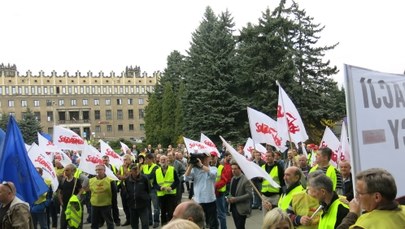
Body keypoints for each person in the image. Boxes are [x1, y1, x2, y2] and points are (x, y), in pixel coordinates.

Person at [337, 168, 405, 229]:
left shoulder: (364, 225)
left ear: (377, 197)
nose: (356, 197)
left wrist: (352, 214)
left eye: (359, 193)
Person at [185, 150, 219, 229]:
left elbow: (213, 175)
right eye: (202, 158)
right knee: (200, 223)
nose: (203, 159)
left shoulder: (213, 168)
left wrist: (201, 165)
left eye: (205, 158)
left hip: (210, 200)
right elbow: (186, 178)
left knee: (213, 223)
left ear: (209, 159)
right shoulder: (195, 170)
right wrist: (191, 165)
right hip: (199, 200)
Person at [88, 164, 118, 229]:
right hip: (94, 205)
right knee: (94, 223)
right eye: (97, 170)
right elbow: (89, 192)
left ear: (104, 171)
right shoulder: (91, 180)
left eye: (100, 169)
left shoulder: (110, 180)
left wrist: (113, 204)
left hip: (106, 205)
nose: (98, 171)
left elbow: (114, 193)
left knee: (109, 222)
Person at [153, 155, 179, 226]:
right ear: (159, 161)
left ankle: (171, 226)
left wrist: (171, 187)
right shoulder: (157, 171)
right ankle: (164, 226)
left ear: (167, 160)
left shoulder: (172, 169)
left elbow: (177, 181)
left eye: (164, 159)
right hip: (161, 195)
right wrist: (159, 188)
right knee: (163, 213)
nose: (163, 161)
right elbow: (154, 184)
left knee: (171, 212)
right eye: (161, 159)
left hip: (171, 194)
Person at [124, 163, 151, 229]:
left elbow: (148, 190)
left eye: (137, 169)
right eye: (134, 169)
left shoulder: (144, 178)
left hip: (143, 206)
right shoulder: (127, 180)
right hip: (132, 206)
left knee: (145, 224)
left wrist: (145, 198)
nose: (136, 171)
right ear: (130, 171)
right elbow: (127, 191)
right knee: (134, 225)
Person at [227, 161, 252, 229]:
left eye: (235, 169)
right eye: (232, 169)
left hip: (241, 208)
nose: (233, 171)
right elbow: (231, 192)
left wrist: (236, 199)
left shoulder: (245, 179)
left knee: (240, 227)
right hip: (233, 207)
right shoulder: (233, 179)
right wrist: (228, 198)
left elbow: (249, 195)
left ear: (240, 169)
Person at [58, 164, 83, 229]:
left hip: (74, 206)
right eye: (64, 170)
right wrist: (61, 202)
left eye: (67, 170)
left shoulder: (76, 181)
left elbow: (81, 190)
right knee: (63, 224)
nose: (65, 172)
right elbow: (60, 193)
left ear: (72, 171)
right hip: (65, 206)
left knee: (74, 225)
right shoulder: (62, 181)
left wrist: (78, 195)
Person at [260, 151, 285, 215]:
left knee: (275, 215)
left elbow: (282, 181)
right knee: (266, 216)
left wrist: (281, 194)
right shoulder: (262, 167)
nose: (267, 158)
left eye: (269, 156)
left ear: (273, 157)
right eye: (266, 156)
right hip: (265, 196)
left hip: (275, 196)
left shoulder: (278, 167)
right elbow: (260, 181)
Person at [141, 153, 160, 228]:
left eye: (147, 159)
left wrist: (144, 176)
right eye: (145, 159)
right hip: (146, 189)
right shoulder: (144, 167)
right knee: (147, 206)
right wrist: (145, 176)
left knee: (156, 207)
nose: (145, 160)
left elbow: (151, 176)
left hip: (153, 189)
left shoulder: (156, 167)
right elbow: (142, 176)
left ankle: (156, 221)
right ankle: (149, 221)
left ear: (151, 159)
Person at [214, 151, 232, 229]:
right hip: (214, 192)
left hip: (221, 190)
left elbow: (224, 179)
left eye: (231, 156)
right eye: (229, 156)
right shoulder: (220, 165)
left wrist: (216, 187)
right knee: (215, 212)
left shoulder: (224, 166)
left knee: (221, 212)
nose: (230, 157)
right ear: (225, 157)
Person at [102, 155, 120, 226]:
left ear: (109, 160)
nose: (105, 162)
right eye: (104, 160)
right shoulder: (100, 168)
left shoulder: (113, 167)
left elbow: (117, 176)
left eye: (106, 160)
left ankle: (117, 220)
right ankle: (103, 221)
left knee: (114, 205)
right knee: (103, 206)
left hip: (112, 187)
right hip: (103, 188)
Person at [117, 155, 132, 226]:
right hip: (123, 188)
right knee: (125, 205)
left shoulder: (133, 166)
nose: (125, 161)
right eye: (124, 160)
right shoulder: (121, 167)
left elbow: (129, 175)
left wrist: (125, 168)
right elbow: (117, 175)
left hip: (131, 188)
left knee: (130, 205)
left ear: (130, 160)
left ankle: (132, 220)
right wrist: (123, 177)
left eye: (126, 159)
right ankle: (128, 219)